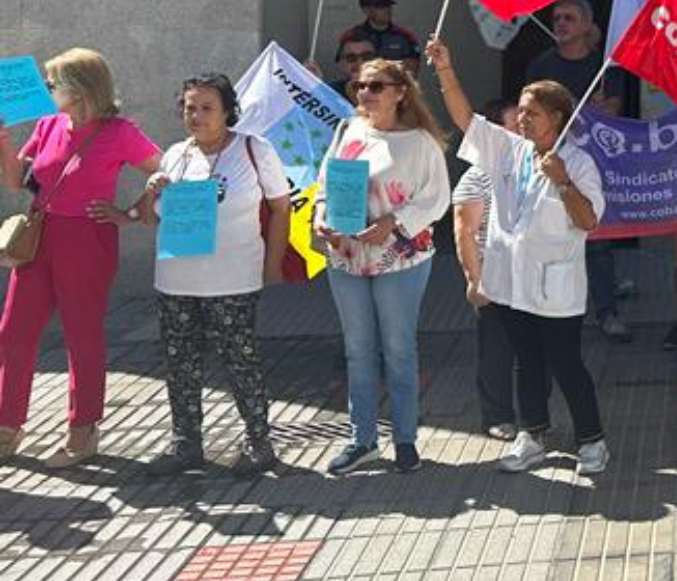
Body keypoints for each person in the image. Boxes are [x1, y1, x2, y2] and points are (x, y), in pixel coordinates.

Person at [430, 40, 610, 475]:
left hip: (555, 286)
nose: (522, 118)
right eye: (522, 111)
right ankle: (533, 435)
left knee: (566, 364)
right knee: (526, 362)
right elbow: (463, 119)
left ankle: (592, 440)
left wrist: (564, 182)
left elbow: (588, 222)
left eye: (532, 112)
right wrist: (445, 70)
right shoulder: (508, 149)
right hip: (510, 282)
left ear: (557, 119)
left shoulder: (578, 162)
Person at [0, 49, 161, 466]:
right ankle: (6, 426)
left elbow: (166, 172)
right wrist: (2, 141)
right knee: (13, 331)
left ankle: (83, 429)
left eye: (54, 83)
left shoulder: (119, 131)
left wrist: (128, 214)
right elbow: (19, 181)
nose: (48, 90)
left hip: (88, 239)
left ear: (82, 88)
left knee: (81, 334)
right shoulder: (48, 124)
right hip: (39, 234)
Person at [127, 74, 291, 476]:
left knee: (241, 361)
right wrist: (152, 189)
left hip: (234, 278)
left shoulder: (255, 150)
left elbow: (281, 208)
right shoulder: (176, 155)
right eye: (188, 107)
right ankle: (185, 443)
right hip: (176, 280)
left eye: (206, 108)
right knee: (180, 363)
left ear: (227, 111)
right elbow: (150, 219)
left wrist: (272, 265)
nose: (195, 115)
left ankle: (258, 442)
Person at [313, 58, 450, 475]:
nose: (365, 93)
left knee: (398, 349)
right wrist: (321, 216)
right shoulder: (347, 129)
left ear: (400, 91)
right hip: (347, 256)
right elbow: (326, 182)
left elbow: (437, 199)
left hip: (401, 259)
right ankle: (362, 440)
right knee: (357, 349)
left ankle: (405, 439)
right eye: (360, 86)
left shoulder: (421, 142)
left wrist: (393, 223)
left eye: (375, 86)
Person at [525, 0, 633, 344]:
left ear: (587, 26)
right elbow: (529, 115)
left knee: (597, 240)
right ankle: (548, 312)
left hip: (594, 165)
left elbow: (614, 112)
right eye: (556, 18)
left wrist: (600, 108)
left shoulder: (606, 67)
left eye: (569, 18)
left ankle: (607, 311)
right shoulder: (541, 64)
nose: (560, 23)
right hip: (551, 163)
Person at [454, 99, 521, 441]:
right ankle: (497, 416)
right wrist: (474, 280)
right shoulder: (477, 176)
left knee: (537, 350)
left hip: (532, 279)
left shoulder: (535, 168)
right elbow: (464, 232)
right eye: (514, 125)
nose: (522, 131)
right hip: (494, 280)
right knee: (497, 349)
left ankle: (536, 417)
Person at [332, 0, 422, 71]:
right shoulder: (352, 35)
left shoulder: (404, 36)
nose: (387, 9)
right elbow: (343, 64)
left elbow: (412, 69)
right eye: (380, 6)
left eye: (388, 5)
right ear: (366, 10)